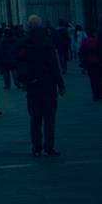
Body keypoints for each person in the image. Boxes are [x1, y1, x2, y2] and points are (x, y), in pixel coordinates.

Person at [17, 13, 64, 156]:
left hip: (32, 86)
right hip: (48, 85)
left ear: (29, 26)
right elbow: (54, 64)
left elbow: (20, 63)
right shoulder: (46, 41)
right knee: (49, 117)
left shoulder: (24, 42)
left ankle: (36, 147)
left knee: (35, 118)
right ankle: (49, 146)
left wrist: (24, 81)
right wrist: (60, 84)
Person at [80, 28, 101, 101]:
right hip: (97, 62)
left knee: (92, 79)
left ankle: (95, 94)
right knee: (98, 78)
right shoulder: (96, 41)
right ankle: (99, 93)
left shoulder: (85, 41)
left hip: (89, 63)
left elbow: (82, 51)